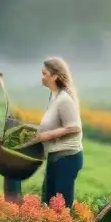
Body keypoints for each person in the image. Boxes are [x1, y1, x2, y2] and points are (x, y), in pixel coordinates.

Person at [33, 57, 83, 207]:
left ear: (54, 76)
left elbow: (75, 127)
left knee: (60, 207)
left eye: (44, 73)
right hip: (56, 157)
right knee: (48, 203)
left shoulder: (64, 99)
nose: (42, 77)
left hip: (67, 158)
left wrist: (47, 135)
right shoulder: (54, 96)